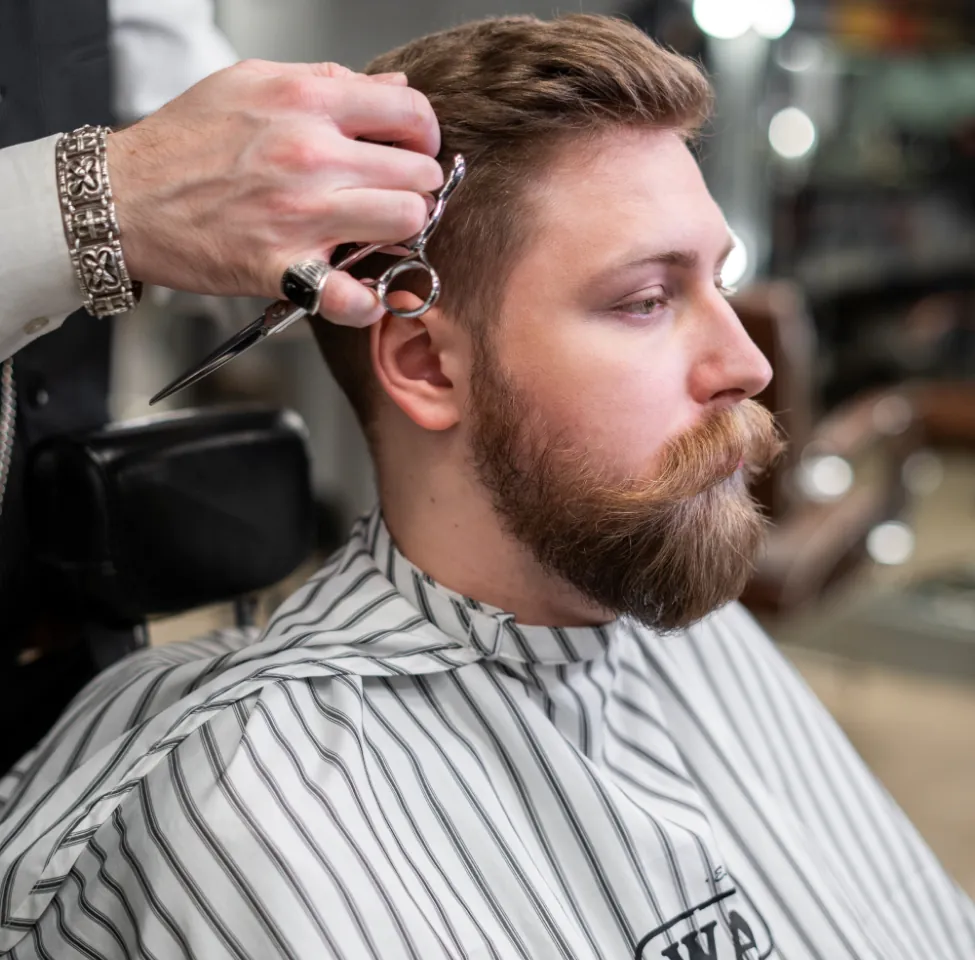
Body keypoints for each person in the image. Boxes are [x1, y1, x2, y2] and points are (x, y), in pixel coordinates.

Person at [1, 14, 973, 960]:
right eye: (645, 300)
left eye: (717, 283)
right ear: (426, 364)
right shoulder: (254, 799)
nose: (749, 366)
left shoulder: (685, 636)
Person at [0, 0, 442, 772]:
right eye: (636, 303)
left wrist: (319, 204)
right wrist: (102, 200)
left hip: (53, 627)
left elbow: (232, 170)